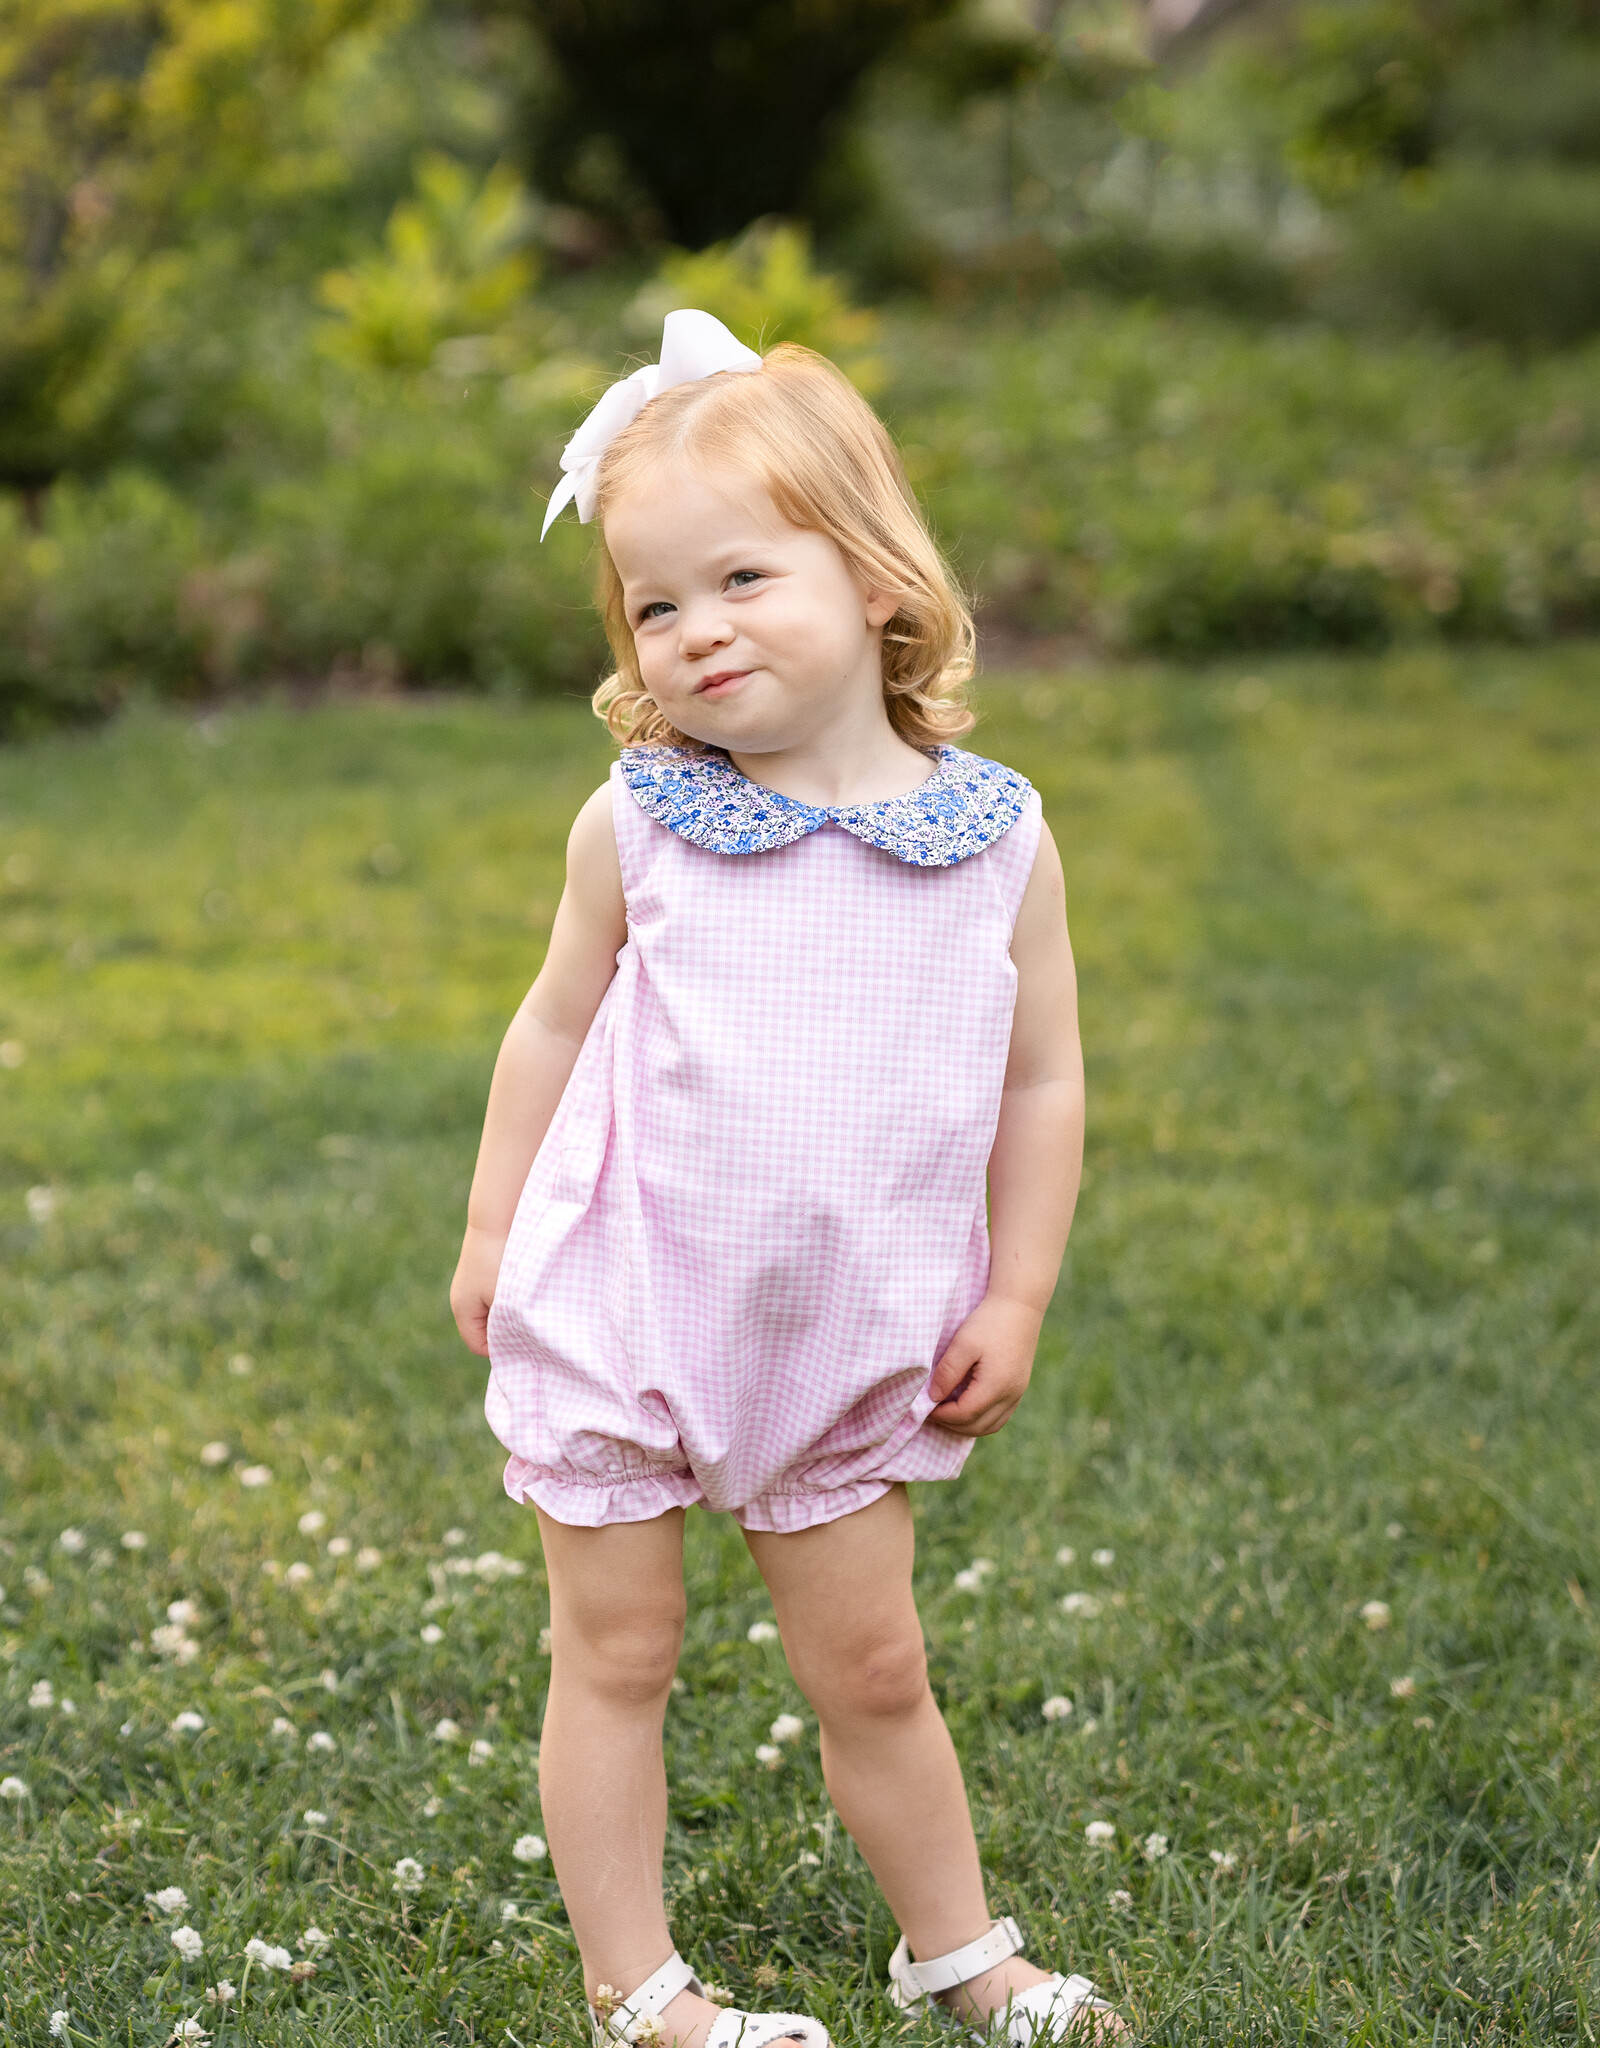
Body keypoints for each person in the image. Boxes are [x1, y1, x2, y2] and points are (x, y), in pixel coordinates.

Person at [450, 311, 1121, 2048]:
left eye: (740, 578)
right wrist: (490, 1227)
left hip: (847, 1337)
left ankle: (960, 1953)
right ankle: (640, 1990)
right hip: (630, 1307)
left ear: (880, 582)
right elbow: (546, 1029)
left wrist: (1019, 1288)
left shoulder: (997, 843)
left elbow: (1042, 1081)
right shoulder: (643, 825)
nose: (695, 632)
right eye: (654, 605)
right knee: (619, 1657)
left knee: (875, 1667)